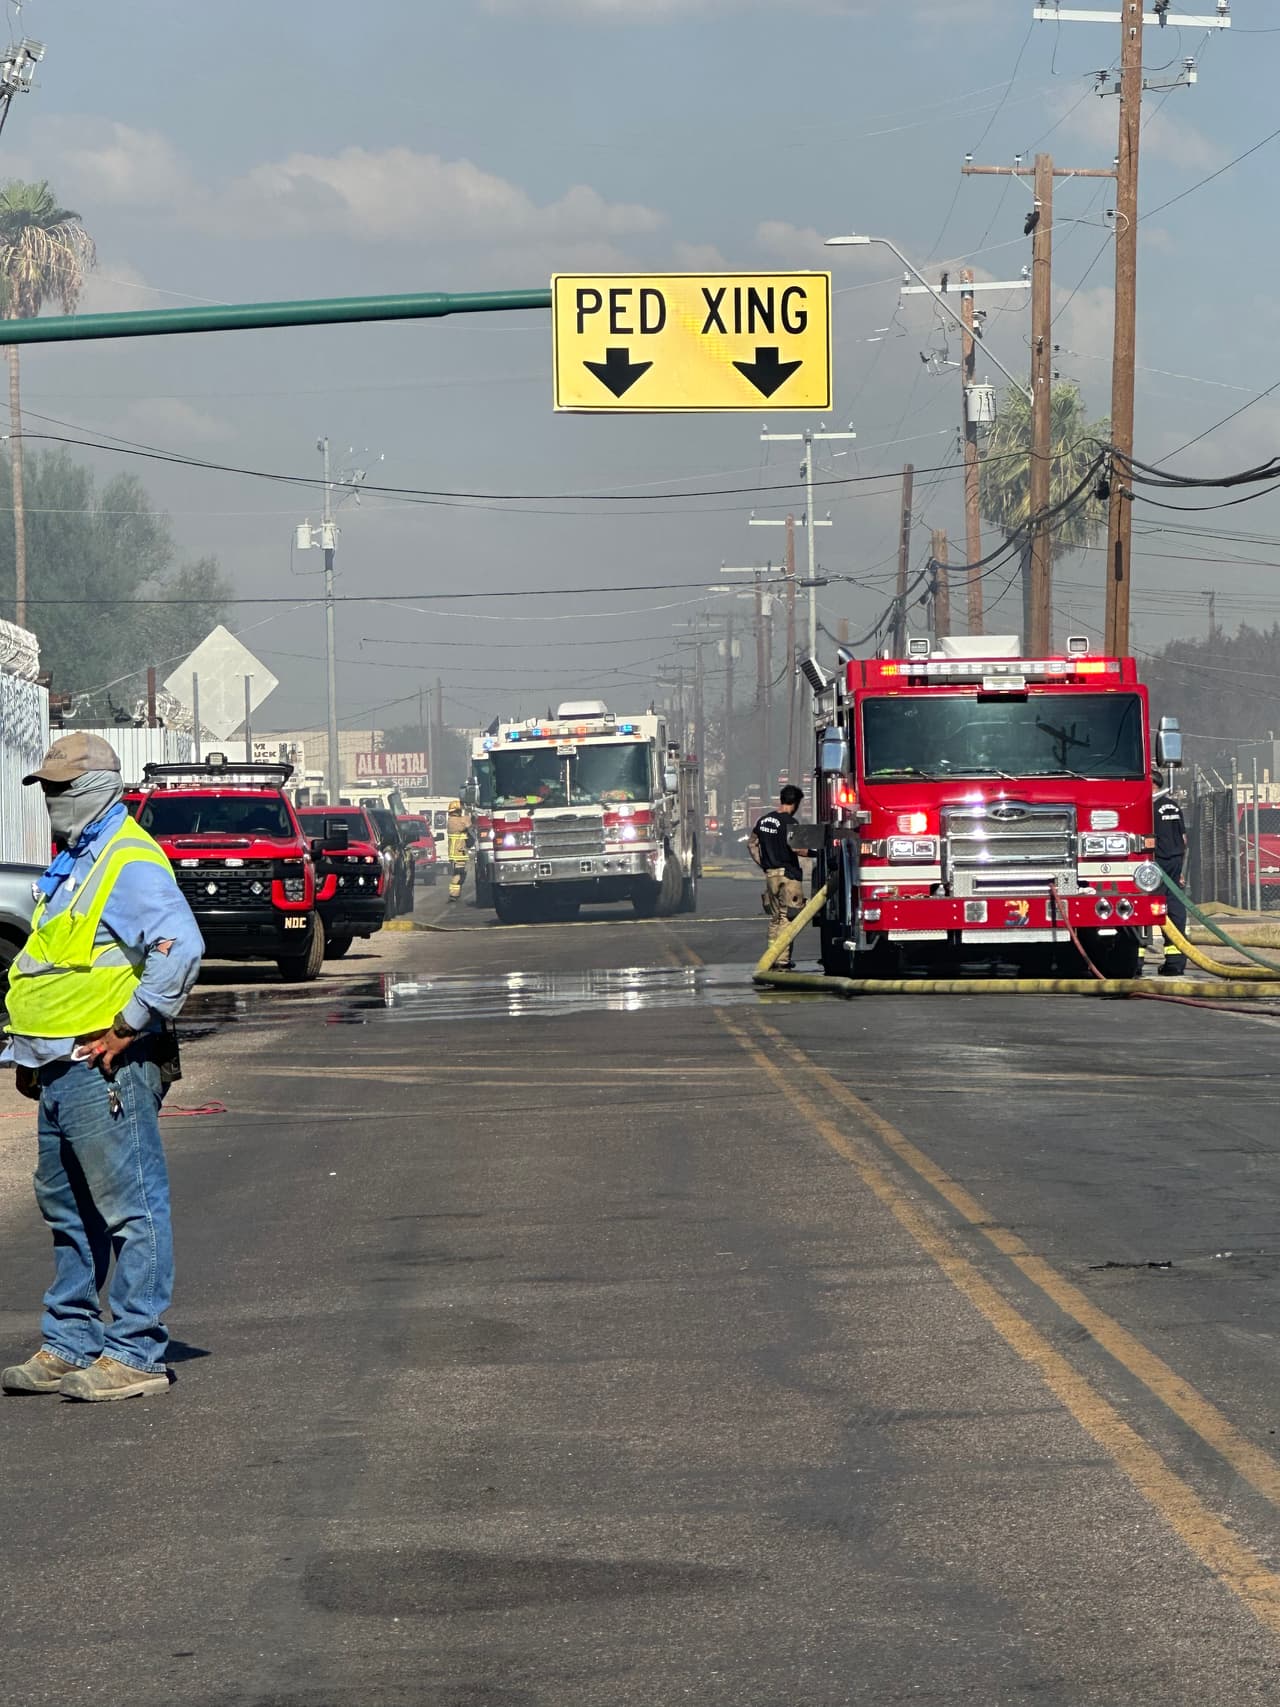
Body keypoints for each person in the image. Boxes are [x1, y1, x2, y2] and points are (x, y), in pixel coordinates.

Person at [1, 733, 204, 1401]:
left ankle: (139, 1350)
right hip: (60, 1068)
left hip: (105, 1067)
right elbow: (53, 966)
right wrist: (31, 1054)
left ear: (94, 790)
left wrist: (128, 1024)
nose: (52, 801)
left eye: (61, 790)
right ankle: (72, 1340)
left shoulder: (128, 861)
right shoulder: (76, 862)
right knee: (67, 1207)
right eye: (47, 790)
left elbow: (180, 949)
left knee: (131, 1207)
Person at [749, 784, 808, 971]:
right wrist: (817, 852)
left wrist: (763, 864)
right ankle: (782, 961)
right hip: (788, 876)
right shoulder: (791, 824)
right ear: (796, 803)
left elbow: (752, 844)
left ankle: (771, 956)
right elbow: (798, 849)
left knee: (775, 918)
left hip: (771, 876)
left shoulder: (763, 821)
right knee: (787, 918)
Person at [1153, 767, 1188, 977]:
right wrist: (1180, 869)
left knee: (1149, 906)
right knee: (1175, 907)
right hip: (1175, 861)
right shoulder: (1174, 806)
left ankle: (1136, 960)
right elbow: (1184, 839)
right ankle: (1176, 961)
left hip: (1157, 864)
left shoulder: (1149, 807)